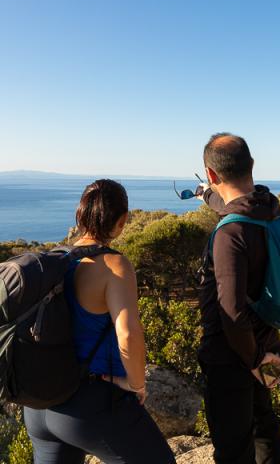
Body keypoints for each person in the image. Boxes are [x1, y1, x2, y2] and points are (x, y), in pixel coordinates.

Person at [23, 179, 175, 464]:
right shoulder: (114, 266)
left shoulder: (53, 259)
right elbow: (128, 335)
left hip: (39, 406)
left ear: (79, 215)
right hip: (89, 403)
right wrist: (136, 384)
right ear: (123, 220)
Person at [197, 133, 280, 464]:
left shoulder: (229, 234)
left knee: (234, 449)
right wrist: (207, 196)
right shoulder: (270, 208)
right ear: (251, 165)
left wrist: (251, 361)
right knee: (266, 431)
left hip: (232, 357)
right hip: (270, 344)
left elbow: (232, 312)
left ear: (211, 173)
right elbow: (234, 205)